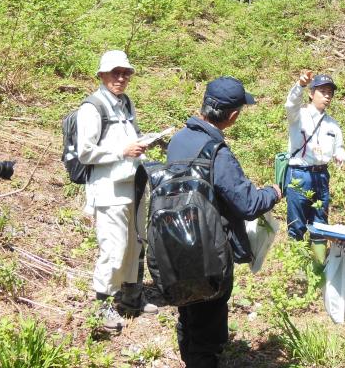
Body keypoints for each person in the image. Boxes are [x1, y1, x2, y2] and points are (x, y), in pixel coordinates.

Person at [166, 76, 281, 368]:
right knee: (209, 325)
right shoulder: (217, 152)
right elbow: (248, 204)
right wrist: (273, 192)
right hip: (210, 252)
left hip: (177, 242)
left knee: (188, 314)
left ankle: (191, 359)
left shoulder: (178, 140)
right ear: (232, 116)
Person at [76, 50, 157, 332]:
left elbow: (128, 137)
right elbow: (85, 153)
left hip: (133, 184)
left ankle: (132, 297)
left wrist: (144, 143)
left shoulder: (125, 104)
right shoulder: (92, 107)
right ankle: (102, 308)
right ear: (101, 75)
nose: (121, 78)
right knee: (113, 248)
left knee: (136, 244)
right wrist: (122, 151)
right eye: (115, 73)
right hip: (109, 190)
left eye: (126, 73)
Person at [284, 70, 345, 266]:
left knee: (320, 221)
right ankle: (297, 267)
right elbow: (290, 104)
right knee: (297, 222)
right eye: (322, 91)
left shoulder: (332, 124)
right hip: (299, 175)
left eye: (330, 93)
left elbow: (339, 146)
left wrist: (340, 153)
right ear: (311, 94)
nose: (327, 96)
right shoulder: (298, 116)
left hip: (321, 176)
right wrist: (300, 85)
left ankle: (318, 265)